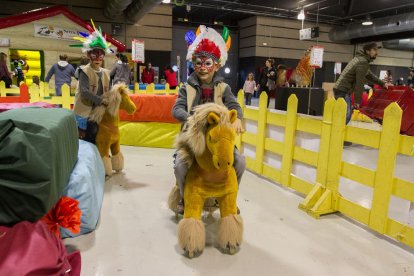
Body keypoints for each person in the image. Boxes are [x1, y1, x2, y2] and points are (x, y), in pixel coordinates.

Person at [172, 25, 246, 214]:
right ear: (193, 64)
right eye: (198, 63)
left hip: (218, 138)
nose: (202, 68)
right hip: (192, 138)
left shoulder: (223, 88)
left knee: (239, 162)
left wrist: (238, 118)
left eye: (207, 63)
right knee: (180, 166)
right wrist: (191, 118)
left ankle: (229, 196)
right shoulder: (186, 88)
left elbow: (235, 106)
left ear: (217, 65)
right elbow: (176, 109)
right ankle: (183, 197)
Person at [72, 22, 112, 144]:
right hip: (86, 111)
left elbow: (109, 91)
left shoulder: (106, 73)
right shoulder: (84, 71)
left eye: (101, 54)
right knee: (91, 133)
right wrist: (100, 100)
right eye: (94, 54)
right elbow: (84, 92)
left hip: (100, 111)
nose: (98, 58)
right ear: (89, 54)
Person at [334, 42, 392, 126]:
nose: (377, 53)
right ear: (368, 51)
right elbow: (359, 82)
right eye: (374, 50)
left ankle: (335, 135)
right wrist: (358, 101)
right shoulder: (362, 62)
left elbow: (369, 75)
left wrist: (383, 84)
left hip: (340, 89)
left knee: (341, 115)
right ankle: (336, 136)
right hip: (343, 90)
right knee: (346, 116)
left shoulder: (360, 59)